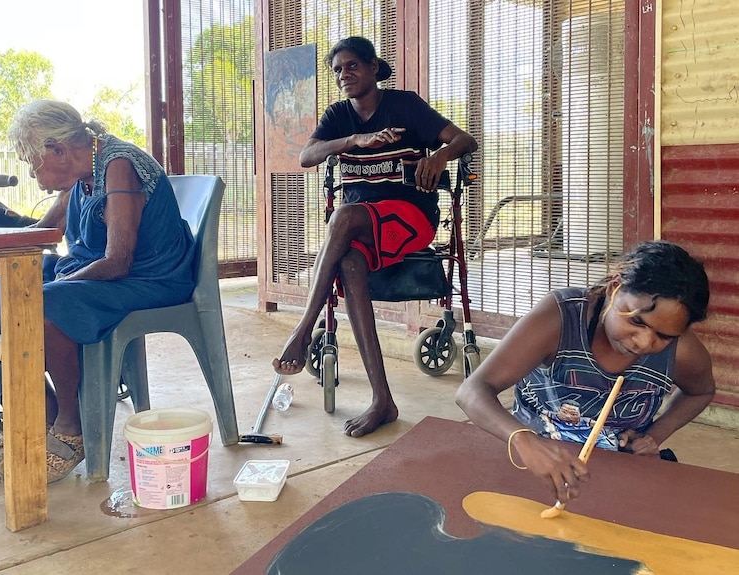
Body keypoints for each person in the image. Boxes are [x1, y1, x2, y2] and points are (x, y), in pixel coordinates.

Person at [0, 99, 196, 482]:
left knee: (42, 304)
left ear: (57, 151)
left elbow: (118, 260)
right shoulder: (80, 177)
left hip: (147, 279)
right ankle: (44, 414)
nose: (31, 172)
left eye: (31, 161)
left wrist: (53, 286)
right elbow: (40, 234)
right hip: (97, 274)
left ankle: (72, 426)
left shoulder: (118, 167)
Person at [272, 36, 478, 438]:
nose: (343, 75)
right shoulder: (338, 117)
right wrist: (353, 141)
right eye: (337, 70)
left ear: (371, 67)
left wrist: (436, 157)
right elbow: (306, 157)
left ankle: (302, 329)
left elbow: (464, 140)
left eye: (351, 66)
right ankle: (382, 399)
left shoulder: (404, 105)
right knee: (348, 262)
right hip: (361, 226)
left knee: (345, 216)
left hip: (410, 217)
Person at [456, 240, 715, 505]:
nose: (644, 342)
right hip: (530, 468)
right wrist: (524, 441)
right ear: (615, 288)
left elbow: (701, 391)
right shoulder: (562, 318)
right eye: (636, 321)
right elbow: (472, 391)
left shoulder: (681, 349)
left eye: (663, 336)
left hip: (619, 477)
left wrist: (654, 436)